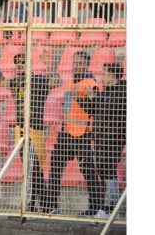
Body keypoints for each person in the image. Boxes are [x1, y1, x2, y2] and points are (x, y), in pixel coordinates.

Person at [44, 51, 104, 218]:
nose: (76, 66)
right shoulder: (71, 82)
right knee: (55, 167)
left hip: (81, 134)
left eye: (80, 63)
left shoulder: (90, 83)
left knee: (88, 170)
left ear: (86, 65)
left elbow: (95, 109)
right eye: (75, 62)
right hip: (66, 133)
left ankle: (96, 208)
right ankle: (52, 205)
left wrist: (81, 98)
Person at [1, 51, 61, 212]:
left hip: (34, 130)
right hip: (20, 130)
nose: (19, 65)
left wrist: (49, 65)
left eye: (23, 62)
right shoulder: (16, 81)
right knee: (32, 170)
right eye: (17, 63)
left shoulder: (38, 79)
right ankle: (44, 207)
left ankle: (35, 207)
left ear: (30, 64)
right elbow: (1, 82)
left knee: (33, 170)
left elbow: (57, 82)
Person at [95, 62, 126, 216]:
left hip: (114, 138)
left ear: (113, 75)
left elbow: (109, 108)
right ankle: (108, 207)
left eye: (105, 74)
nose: (102, 77)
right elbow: (94, 109)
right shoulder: (105, 92)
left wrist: (93, 98)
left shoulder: (122, 92)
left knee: (108, 169)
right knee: (103, 170)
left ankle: (110, 208)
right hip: (101, 137)